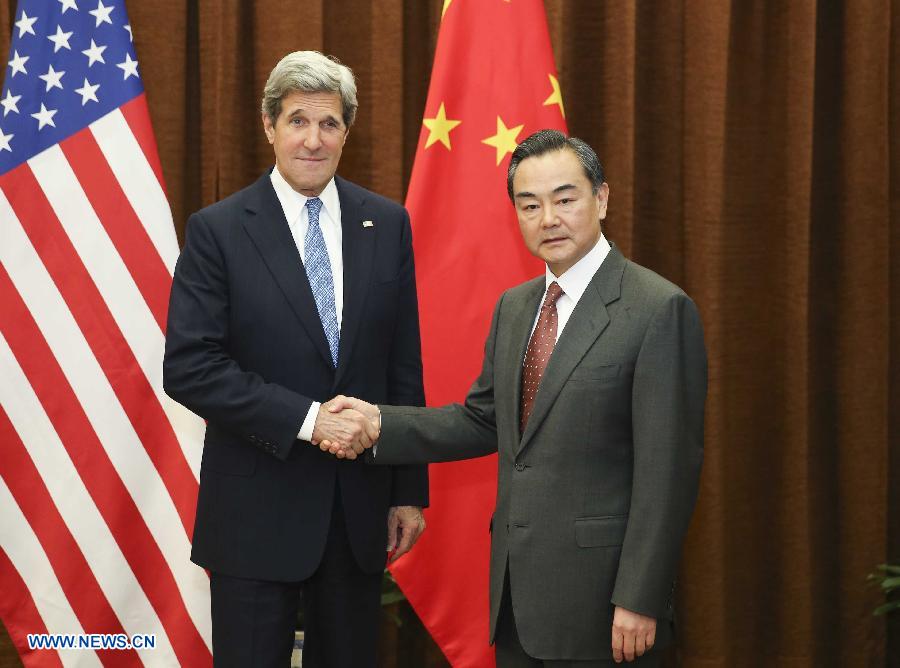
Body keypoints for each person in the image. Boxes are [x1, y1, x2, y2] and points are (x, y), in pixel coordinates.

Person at [322, 130, 707, 666]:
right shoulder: (516, 308)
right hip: (516, 601)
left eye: (565, 199)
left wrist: (640, 598)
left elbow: (669, 473)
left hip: (606, 606)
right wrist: (379, 422)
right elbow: (483, 421)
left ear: (601, 199)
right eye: (530, 205)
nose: (548, 218)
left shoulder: (658, 309)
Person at [163, 50, 428, 667]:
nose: (314, 139)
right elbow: (191, 367)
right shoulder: (218, 230)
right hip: (254, 515)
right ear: (269, 126)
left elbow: (402, 366)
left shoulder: (386, 224)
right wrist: (310, 420)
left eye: (329, 123)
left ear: (346, 131)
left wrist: (408, 489)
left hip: (357, 513)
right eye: (298, 120)